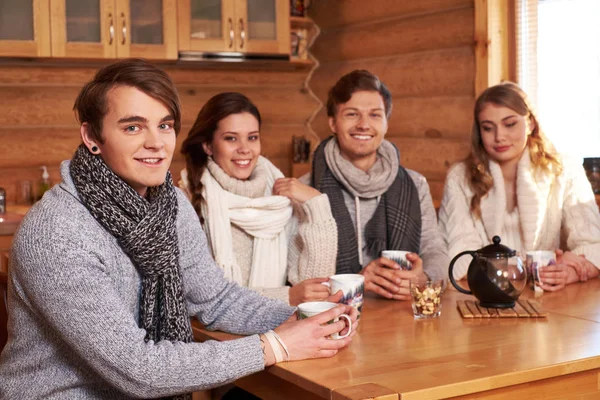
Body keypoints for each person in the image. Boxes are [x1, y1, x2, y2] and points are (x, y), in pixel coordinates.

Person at [0, 59, 357, 399]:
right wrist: (276, 345)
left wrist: (311, 319)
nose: (156, 143)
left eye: (165, 125)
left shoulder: (169, 204)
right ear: (92, 136)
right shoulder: (57, 232)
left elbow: (216, 300)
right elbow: (136, 368)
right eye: (133, 127)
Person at [179, 92, 340, 306]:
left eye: (252, 137)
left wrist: (317, 204)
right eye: (231, 138)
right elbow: (199, 297)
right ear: (208, 145)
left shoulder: (279, 200)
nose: (245, 149)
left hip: (278, 329)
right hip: (212, 337)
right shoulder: (187, 200)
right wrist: (287, 296)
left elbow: (314, 287)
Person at [438, 82, 600, 290]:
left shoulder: (564, 169)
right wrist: (530, 268)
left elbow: (594, 246)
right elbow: (459, 259)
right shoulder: (460, 177)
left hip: (550, 300)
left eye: (510, 124)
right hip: (482, 298)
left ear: (531, 123)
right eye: (488, 128)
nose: (499, 137)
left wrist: (569, 271)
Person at [305, 69, 448, 300]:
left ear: (386, 123)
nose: (364, 125)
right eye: (352, 114)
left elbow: (435, 251)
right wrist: (357, 281)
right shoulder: (307, 190)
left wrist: (424, 279)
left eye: (374, 115)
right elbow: (297, 278)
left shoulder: (415, 184)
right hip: (335, 315)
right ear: (332, 123)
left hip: (400, 314)